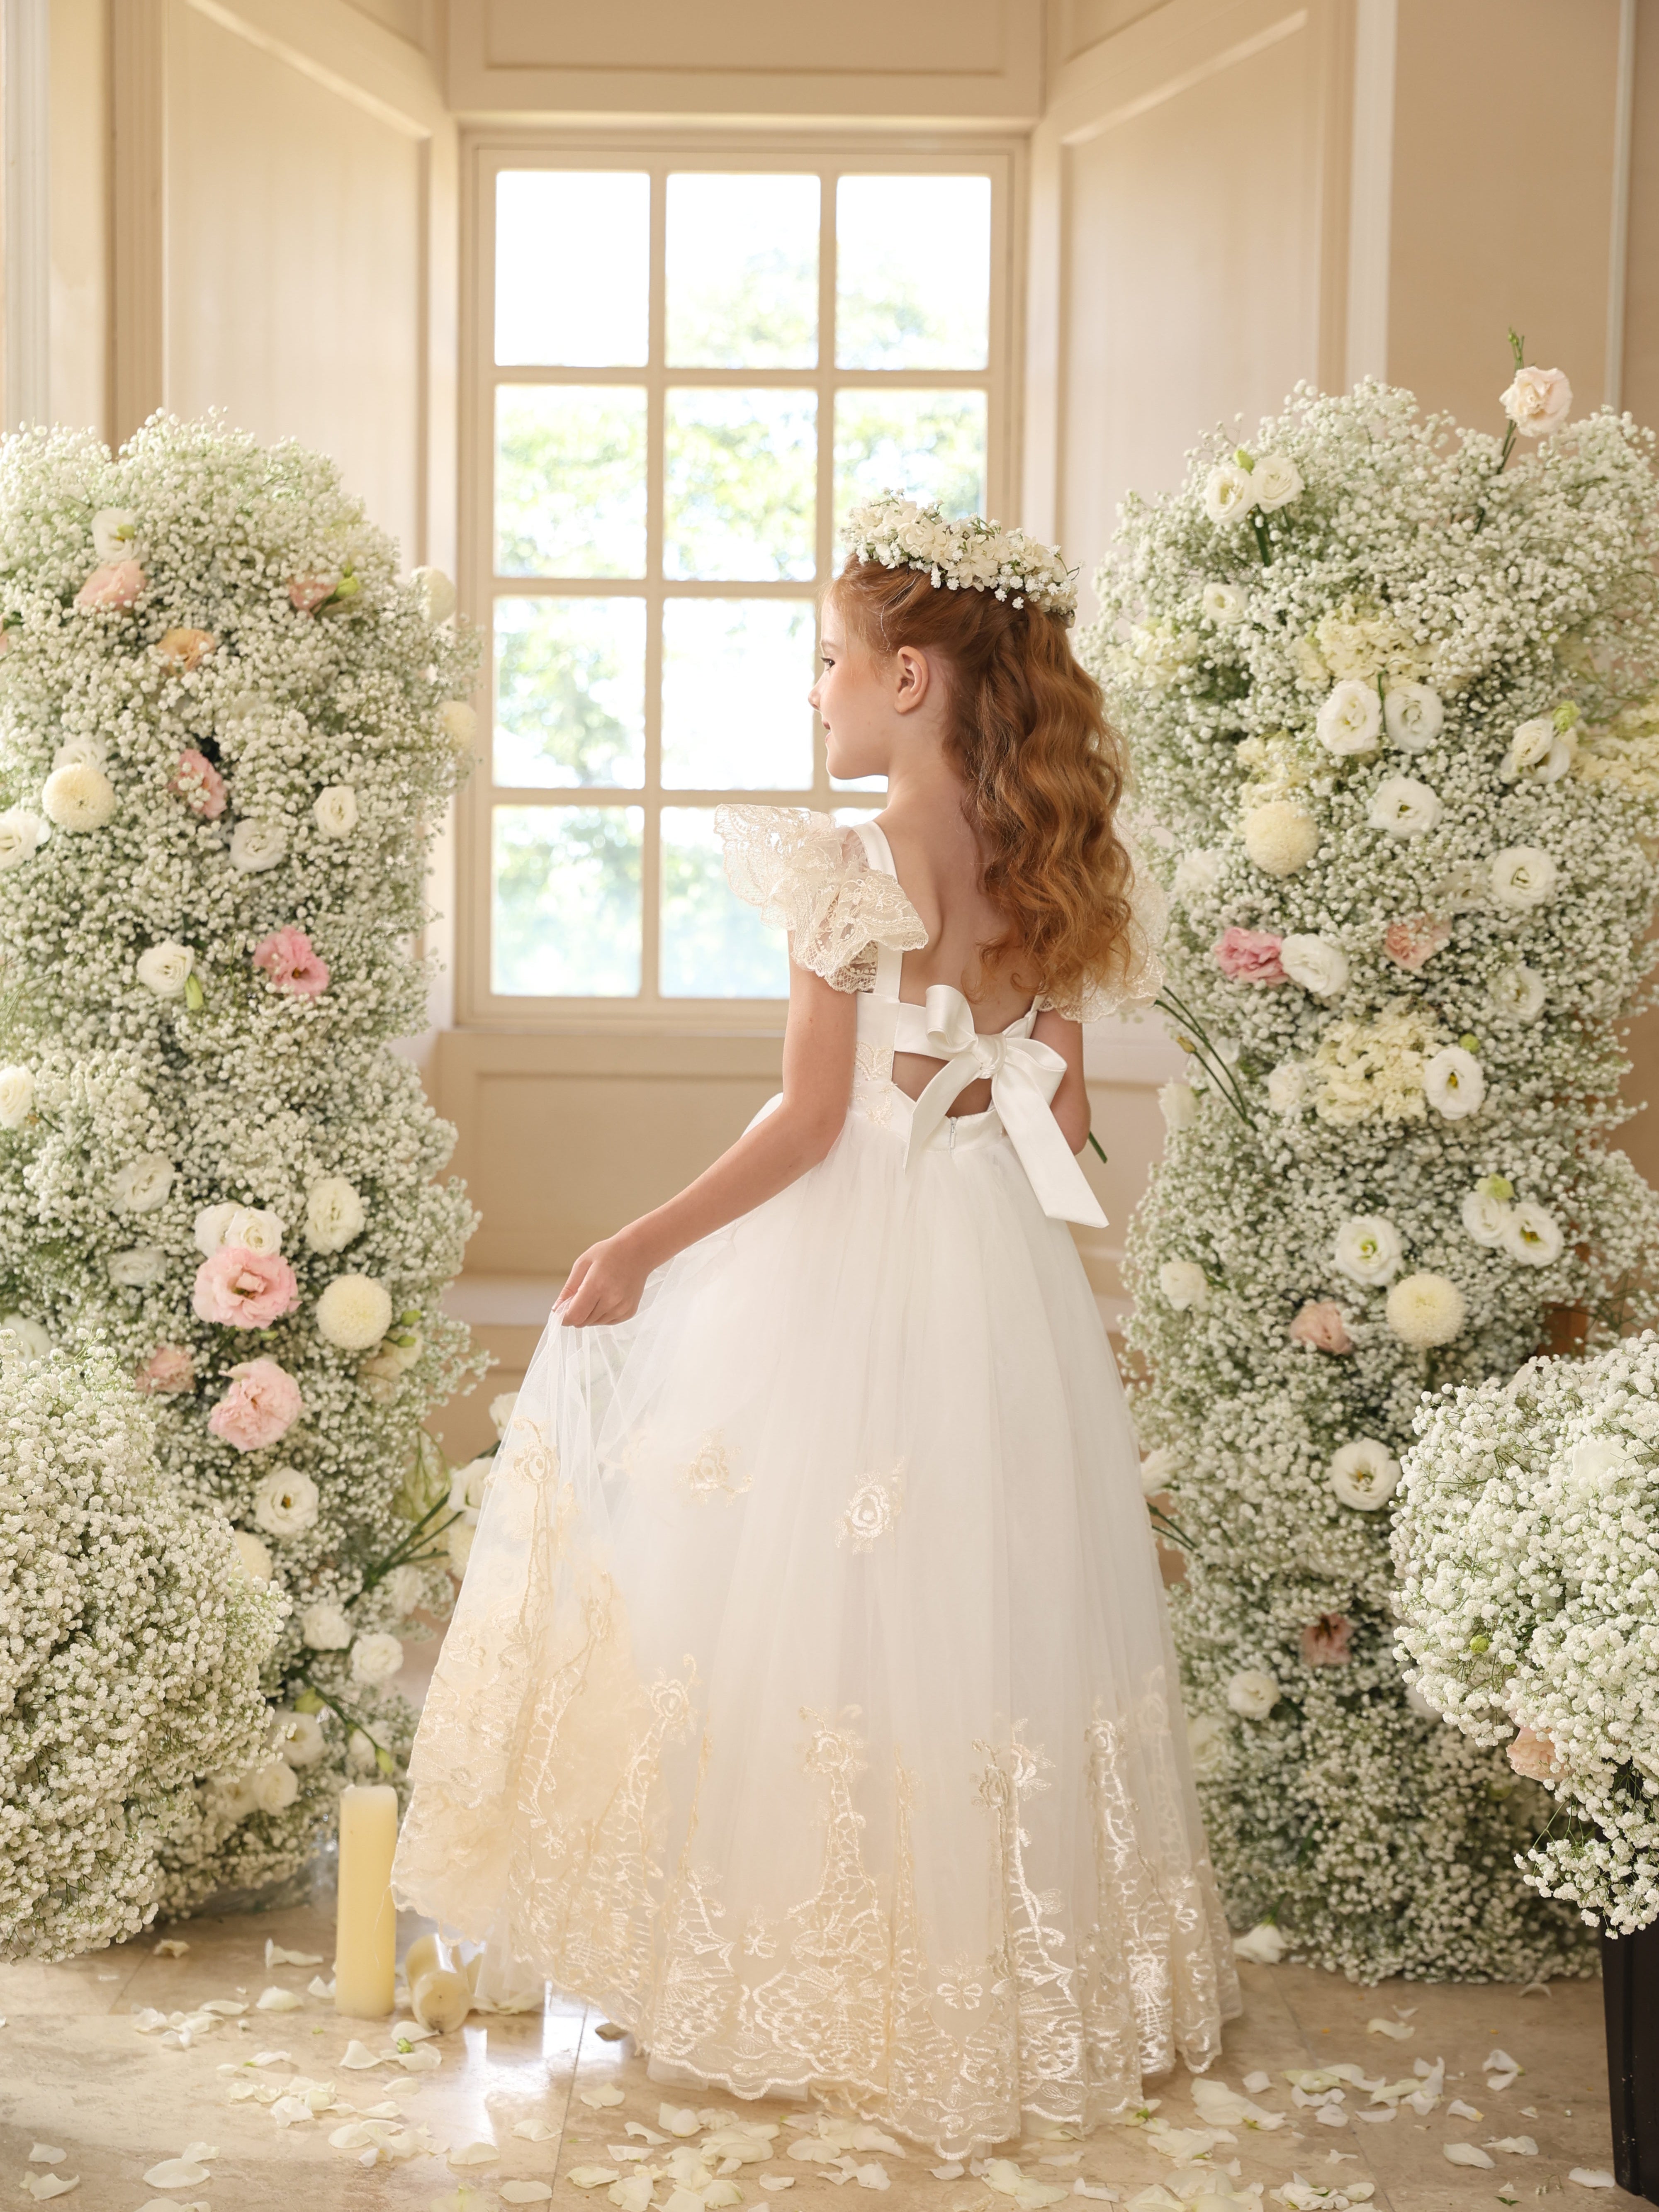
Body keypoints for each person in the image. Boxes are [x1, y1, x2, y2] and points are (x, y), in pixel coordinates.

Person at [393, 498, 1240, 2155]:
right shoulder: (1042, 857)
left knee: (791, 1598)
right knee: (969, 1608)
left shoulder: (852, 863)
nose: (814, 687)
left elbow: (803, 1123)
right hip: (991, 1258)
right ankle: (986, 1982)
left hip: (852, 1245)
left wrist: (636, 1245)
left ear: (910, 678)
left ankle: (810, 1979)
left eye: (830, 657)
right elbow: (1063, 1114)